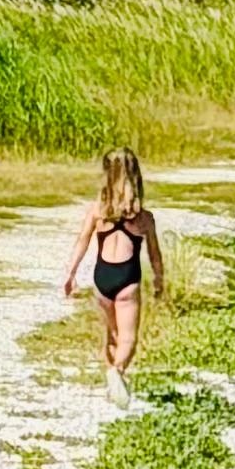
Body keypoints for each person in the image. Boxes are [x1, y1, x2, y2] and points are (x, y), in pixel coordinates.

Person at [65, 148, 163, 383]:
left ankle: (111, 382)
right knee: (128, 338)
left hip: (102, 280)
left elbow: (82, 241)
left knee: (111, 334)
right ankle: (116, 372)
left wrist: (70, 273)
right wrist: (160, 279)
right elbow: (154, 254)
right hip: (127, 280)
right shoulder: (144, 219)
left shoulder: (97, 212)